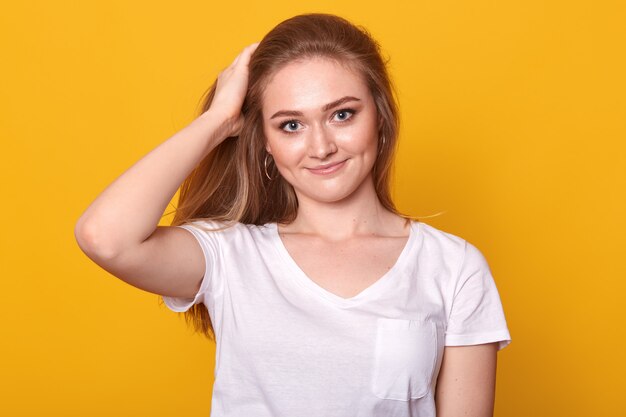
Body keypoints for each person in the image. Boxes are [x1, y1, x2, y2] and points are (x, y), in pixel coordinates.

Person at [75, 13, 511, 417]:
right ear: (264, 141)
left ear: (379, 117)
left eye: (342, 114)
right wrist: (219, 118)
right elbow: (105, 238)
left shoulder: (453, 267)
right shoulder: (230, 256)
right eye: (290, 125)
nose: (321, 146)